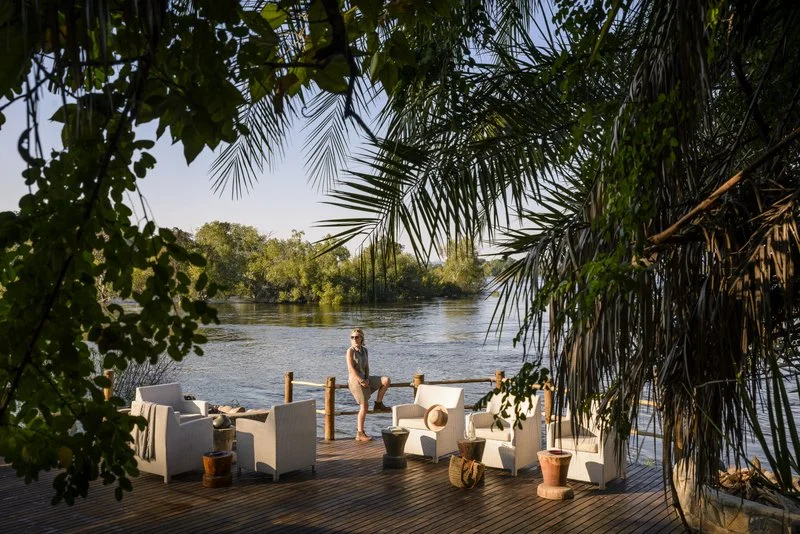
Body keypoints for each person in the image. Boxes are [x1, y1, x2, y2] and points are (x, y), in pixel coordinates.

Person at [346, 328, 391, 442]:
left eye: (357, 337)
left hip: (365, 379)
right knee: (364, 406)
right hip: (355, 381)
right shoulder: (350, 351)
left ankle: (378, 404)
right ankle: (360, 433)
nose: (355, 339)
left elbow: (366, 367)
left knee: (386, 380)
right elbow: (351, 369)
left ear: (362, 338)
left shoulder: (365, 350)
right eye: (352, 337)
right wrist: (361, 380)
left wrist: (366, 378)